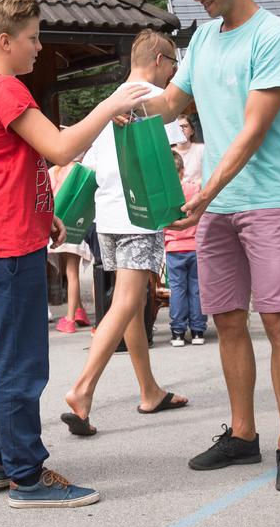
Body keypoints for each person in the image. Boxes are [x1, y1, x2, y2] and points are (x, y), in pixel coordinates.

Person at [0, 0, 146, 507]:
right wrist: (110, 106)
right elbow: (61, 149)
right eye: (34, 37)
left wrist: (45, 213)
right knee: (23, 364)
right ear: (5, 41)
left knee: (12, 359)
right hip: (6, 243)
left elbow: (7, 167)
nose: (40, 47)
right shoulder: (5, 89)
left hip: (5, 235)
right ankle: (28, 476)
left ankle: (1, 458)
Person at [145, 0, 280, 492]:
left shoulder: (273, 37)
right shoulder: (205, 39)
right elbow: (171, 101)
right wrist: (125, 104)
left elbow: (252, 130)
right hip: (217, 204)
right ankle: (243, 435)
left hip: (264, 198)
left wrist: (206, 192)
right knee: (228, 320)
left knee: (277, 320)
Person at [61, 30, 190, 437]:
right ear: (157, 58)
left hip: (109, 216)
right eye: (172, 63)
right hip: (141, 214)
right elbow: (170, 164)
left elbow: (94, 162)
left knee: (128, 303)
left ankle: (149, 390)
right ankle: (82, 390)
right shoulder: (153, 99)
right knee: (129, 300)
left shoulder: (112, 99)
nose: (174, 72)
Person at [166, 149, 206, 346]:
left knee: (177, 289)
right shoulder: (193, 189)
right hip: (195, 246)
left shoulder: (163, 193)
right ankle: (198, 330)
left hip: (174, 247)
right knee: (197, 288)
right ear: (182, 170)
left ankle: (178, 331)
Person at [48, 156, 91, 333]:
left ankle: (70, 318)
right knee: (72, 272)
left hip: (57, 224)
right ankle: (77, 312)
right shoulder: (81, 170)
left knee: (68, 272)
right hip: (76, 224)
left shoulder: (53, 171)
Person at [172, 115, 203, 182]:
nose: (181, 129)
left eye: (185, 126)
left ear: (192, 131)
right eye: (178, 127)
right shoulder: (169, 154)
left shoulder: (201, 149)